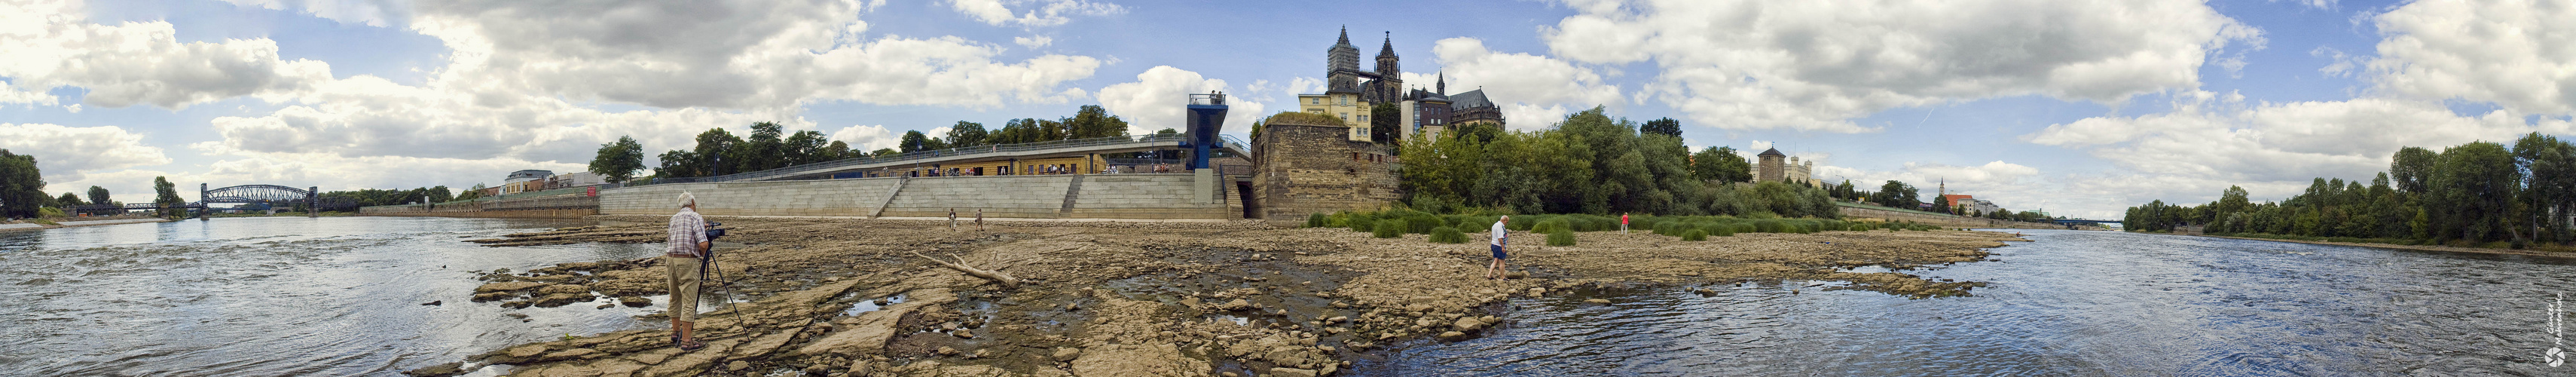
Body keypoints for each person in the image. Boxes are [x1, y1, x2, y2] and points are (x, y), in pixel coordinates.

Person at [664, 192, 710, 351]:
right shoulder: (695, 217)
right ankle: (686, 341)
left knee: (674, 297)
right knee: (689, 300)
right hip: (687, 261)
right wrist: (703, 255)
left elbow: (673, 239)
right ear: (693, 203)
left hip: (671, 260)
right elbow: (703, 244)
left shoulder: (673, 218)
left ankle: (675, 333)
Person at [1488, 216, 1510, 280]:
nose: (1507, 224)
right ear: (1504, 220)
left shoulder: (1495, 225)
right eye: (1507, 222)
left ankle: (1490, 275)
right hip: (1499, 246)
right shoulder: (1500, 226)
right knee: (1502, 261)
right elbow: (1500, 238)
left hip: (1494, 244)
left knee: (1496, 261)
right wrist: (1503, 247)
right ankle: (1502, 277)